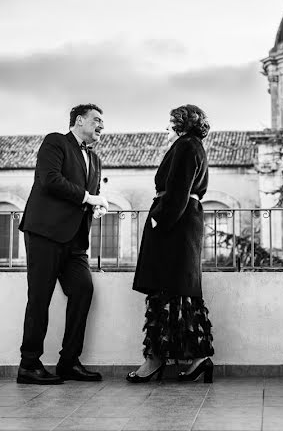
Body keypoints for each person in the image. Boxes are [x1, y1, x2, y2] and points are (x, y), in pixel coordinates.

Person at [17, 104, 109, 384]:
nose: (101, 126)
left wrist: (95, 205)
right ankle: (29, 365)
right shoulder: (54, 142)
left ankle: (68, 362)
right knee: (39, 299)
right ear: (79, 120)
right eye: (96, 120)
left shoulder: (96, 159)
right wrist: (88, 198)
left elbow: (89, 195)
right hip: (44, 233)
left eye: (102, 122)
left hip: (75, 240)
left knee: (83, 289)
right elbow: (50, 181)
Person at [127, 104, 215, 384]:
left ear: (180, 123)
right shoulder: (193, 145)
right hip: (183, 225)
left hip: (174, 226)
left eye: (170, 122)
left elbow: (177, 190)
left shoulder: (186, 146)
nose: (167, 127)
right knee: (179, 291)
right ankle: (197, 359)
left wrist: (158, 220)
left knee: (166, 289)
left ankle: (155, 358)